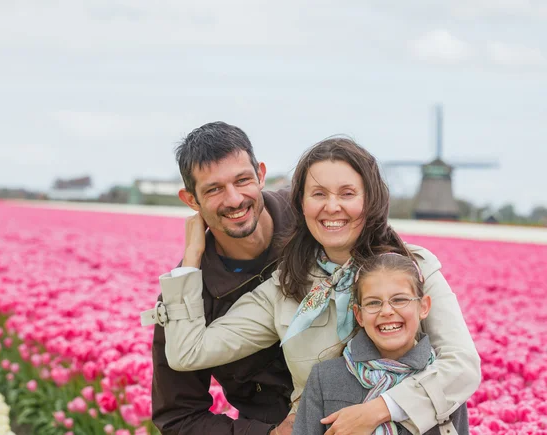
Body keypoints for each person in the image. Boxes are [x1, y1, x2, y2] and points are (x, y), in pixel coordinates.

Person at [156, 137, 481, 435]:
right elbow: (188, 352)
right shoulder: (285, 287)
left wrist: (378, 410)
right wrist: (190, 261)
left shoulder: (414, 267)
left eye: (347, 193)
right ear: (301, 203)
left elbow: (462, 365)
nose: (332, 206)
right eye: (319, 194)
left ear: (370, 198)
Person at [142, 122, 296, 435]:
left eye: (243, 180)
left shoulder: (312, 218)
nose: (235, 199)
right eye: (213, 189)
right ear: (190, 200)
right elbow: (179, 417)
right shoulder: (185, 294)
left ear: (261, 174)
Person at [293, 253, 469, 435]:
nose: (386, 311)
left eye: (400, 299)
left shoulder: (446, 382)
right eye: (373, 303)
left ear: (423, 307)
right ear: (359, 315)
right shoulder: (326, 378)